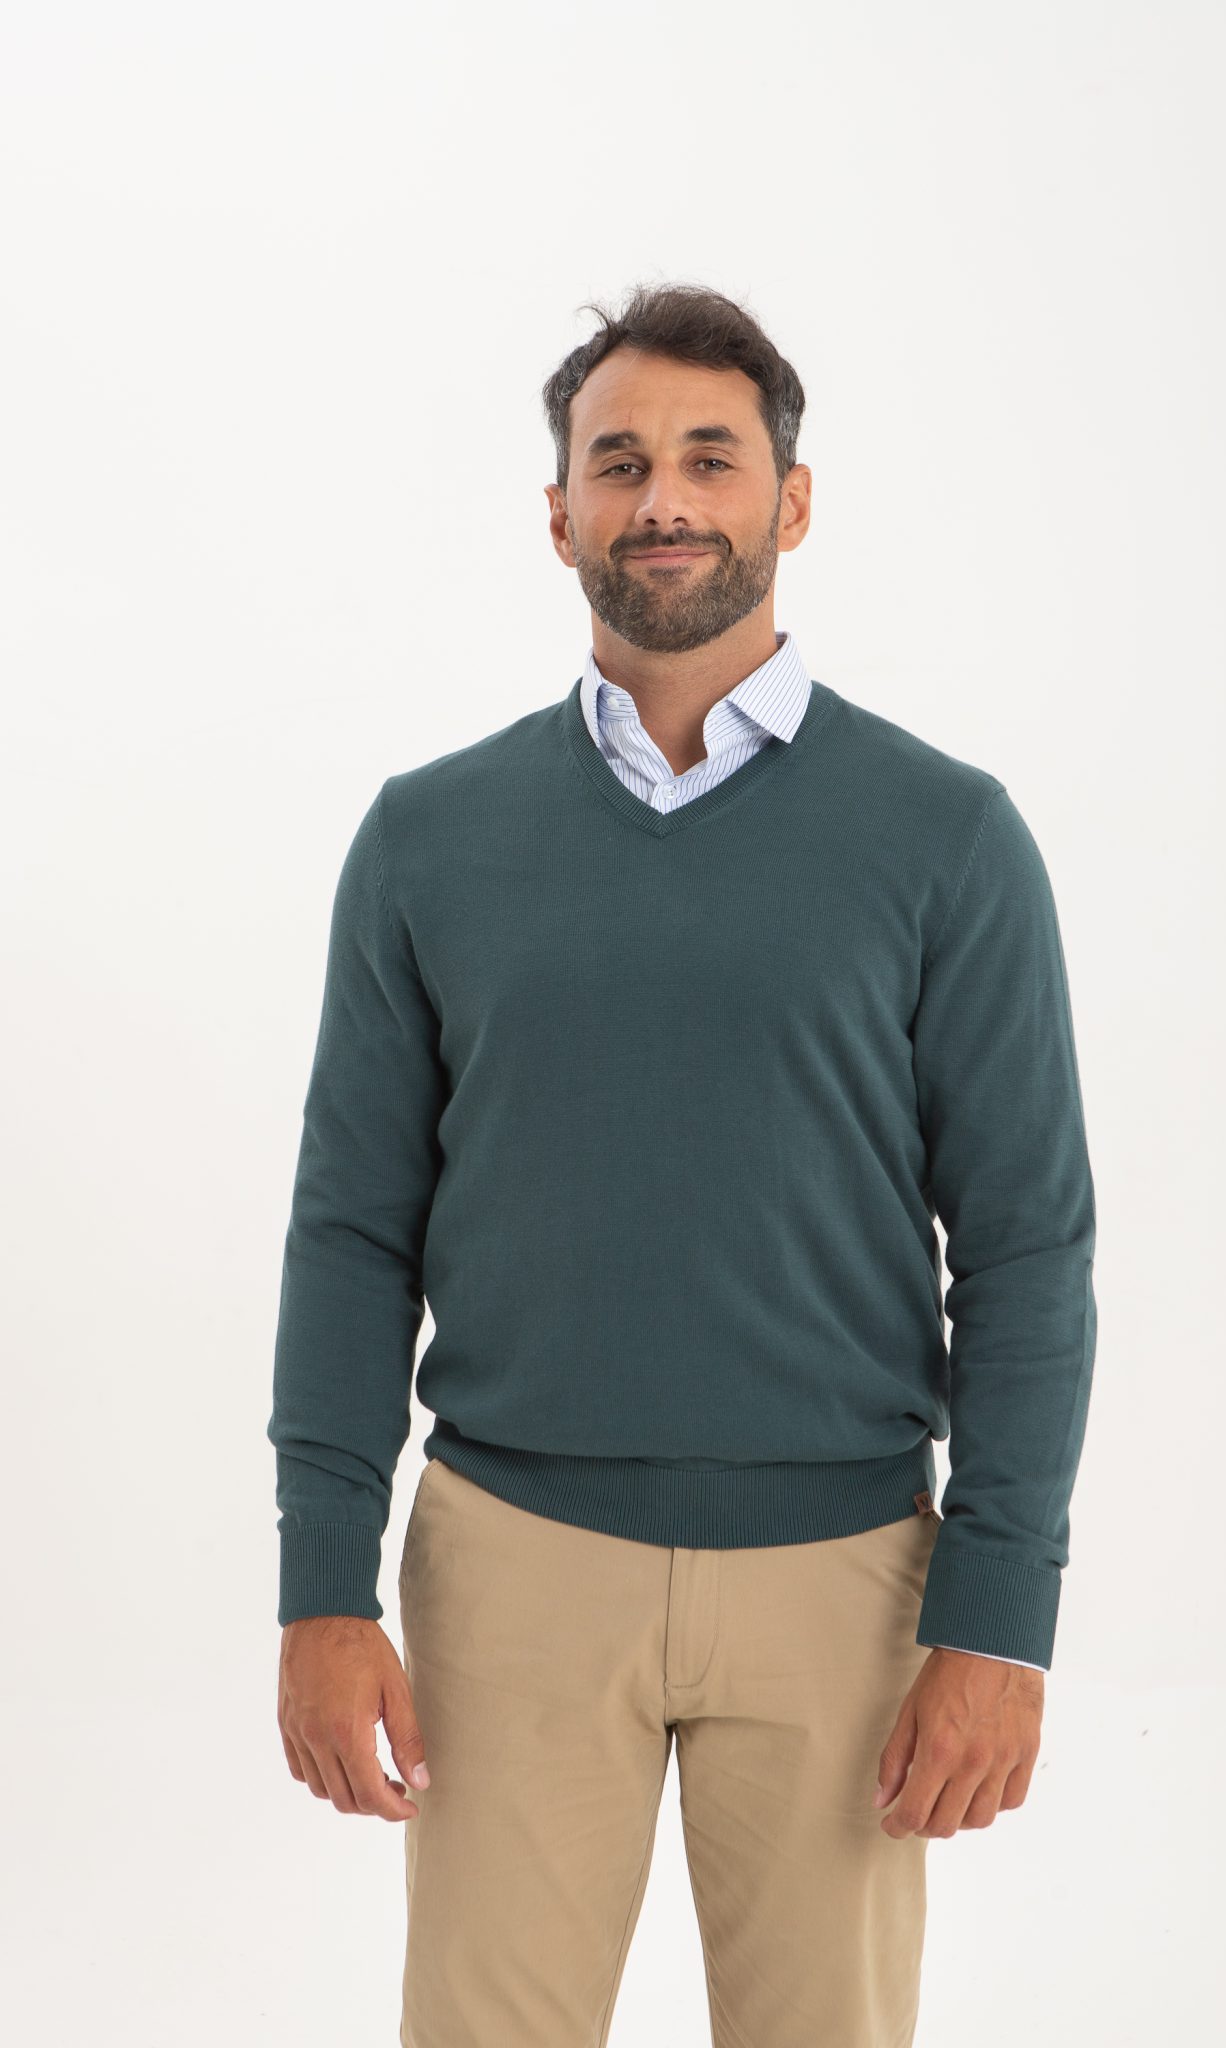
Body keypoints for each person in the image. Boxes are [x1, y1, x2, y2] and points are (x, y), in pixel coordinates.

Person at [267, 279, 1098, 2047]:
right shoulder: (429, 838)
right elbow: (349, 1234)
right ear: (557, 511)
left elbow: (1026, 1247)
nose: (663, 499)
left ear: (789, 502)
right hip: (509, 1569)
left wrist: (1000, 1619)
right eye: (619, 460)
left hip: (845, 1578)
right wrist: (321, 1585)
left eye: (710, 459)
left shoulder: (946, 837)